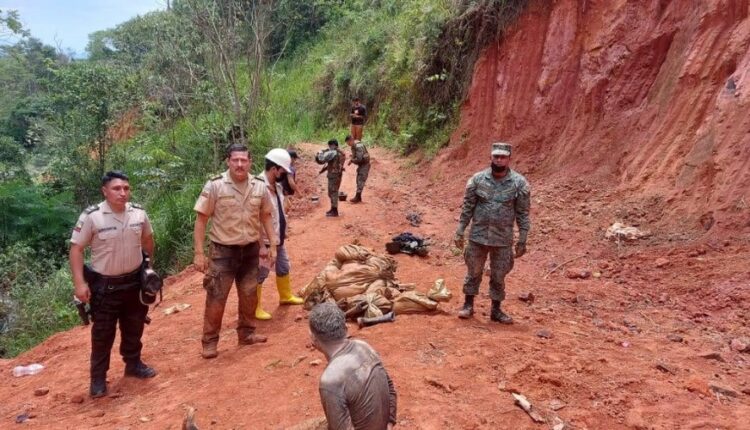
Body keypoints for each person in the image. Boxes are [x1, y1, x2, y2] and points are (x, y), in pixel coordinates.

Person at [69, 171, 157, 398]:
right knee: (103, 334)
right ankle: (98, 379)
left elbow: (148, 240)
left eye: (126, 188)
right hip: (105, 287)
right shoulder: (93, 217)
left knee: (134, 326)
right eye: (117, 188)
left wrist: (148, 268)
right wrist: (80, 284)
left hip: (134, 283)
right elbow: (76, 249)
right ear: (105, 191)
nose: (123, 193)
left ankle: (133, 364)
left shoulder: (138, 213)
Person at [193, 143, 277, 359]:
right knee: (216, 298)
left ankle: (247, 333)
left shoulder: (259, 186)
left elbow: (266, 216)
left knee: (249, 295)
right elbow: (202, 219)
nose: (240, 164)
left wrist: (271, 245)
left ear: (250, 162)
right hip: (222, 253)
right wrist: (199, 253)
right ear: (228, 161)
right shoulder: (215, 186)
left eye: (244, 160)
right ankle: (209, 342)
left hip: (250, 251)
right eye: (235, 160)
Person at [453, 142, 531, 324]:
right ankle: (468, 305)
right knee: (473, 271)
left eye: (503, 157)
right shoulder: (477, 180)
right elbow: (467, 208)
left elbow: (523, 213)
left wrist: (523, 239)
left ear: (509, 159)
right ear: (491, 157)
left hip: (503, 239)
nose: (499, 159)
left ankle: (496, 310)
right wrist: (460, 231)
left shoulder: (519, 183)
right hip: (478, 236)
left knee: (499, 275)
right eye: (496, 156)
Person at [309, 302, 397, 430]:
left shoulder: (330, 380)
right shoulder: (364, 347)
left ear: (314, 339)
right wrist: (389, 424)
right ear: (346, 328)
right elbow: (390, 388)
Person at [254, 148, 304, 321]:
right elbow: (255, 219)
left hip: (278, 238)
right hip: (266, 240)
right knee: (260, 273)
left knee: (283, 267)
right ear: (275, 169)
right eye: (283, 171)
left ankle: (285, 296)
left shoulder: (277, 187)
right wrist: (261, 245)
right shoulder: (258, 186)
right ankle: (255, 307)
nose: (284, 174)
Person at [315, 139, 346, 217]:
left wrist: (320, 152)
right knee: (332, 192)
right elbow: (333, 164)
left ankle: (335, 210)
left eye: (329, 145)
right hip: (338, 174)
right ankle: (333, 208)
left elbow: (321, 160)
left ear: (332, 145)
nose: (329, 147)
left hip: (333, 175)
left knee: (333, 192)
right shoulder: (341, 153)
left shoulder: (333, 152)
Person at [346, 135, 370, 204]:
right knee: (358, 180)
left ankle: (357, 197)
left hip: (364, 165)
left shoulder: (358, 146)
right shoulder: (354, 145)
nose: (348, 145)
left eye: (348, 143)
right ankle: (358, 197)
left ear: (351, 140)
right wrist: (351, 160)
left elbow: (359, 159)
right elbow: (355, 156)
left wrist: (352, 160)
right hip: (362, 165)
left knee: (360, 180)